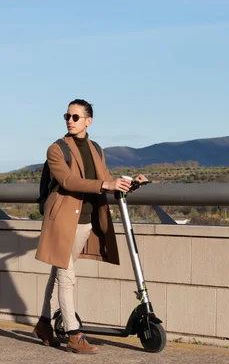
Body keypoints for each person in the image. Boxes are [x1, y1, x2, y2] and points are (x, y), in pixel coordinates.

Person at [32, 99, 147, 354]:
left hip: (85, 221)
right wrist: (105, 186)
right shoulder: (56, 149)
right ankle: (74, 334)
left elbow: (106, 178)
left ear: (88, 120)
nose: (69, 121)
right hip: (61, 220)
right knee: (66, 275)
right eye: (67, 116)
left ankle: (43, 323)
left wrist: (130, 181)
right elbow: (68, 181)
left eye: (75, 117)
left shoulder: (95, 148)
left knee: (58, 273)